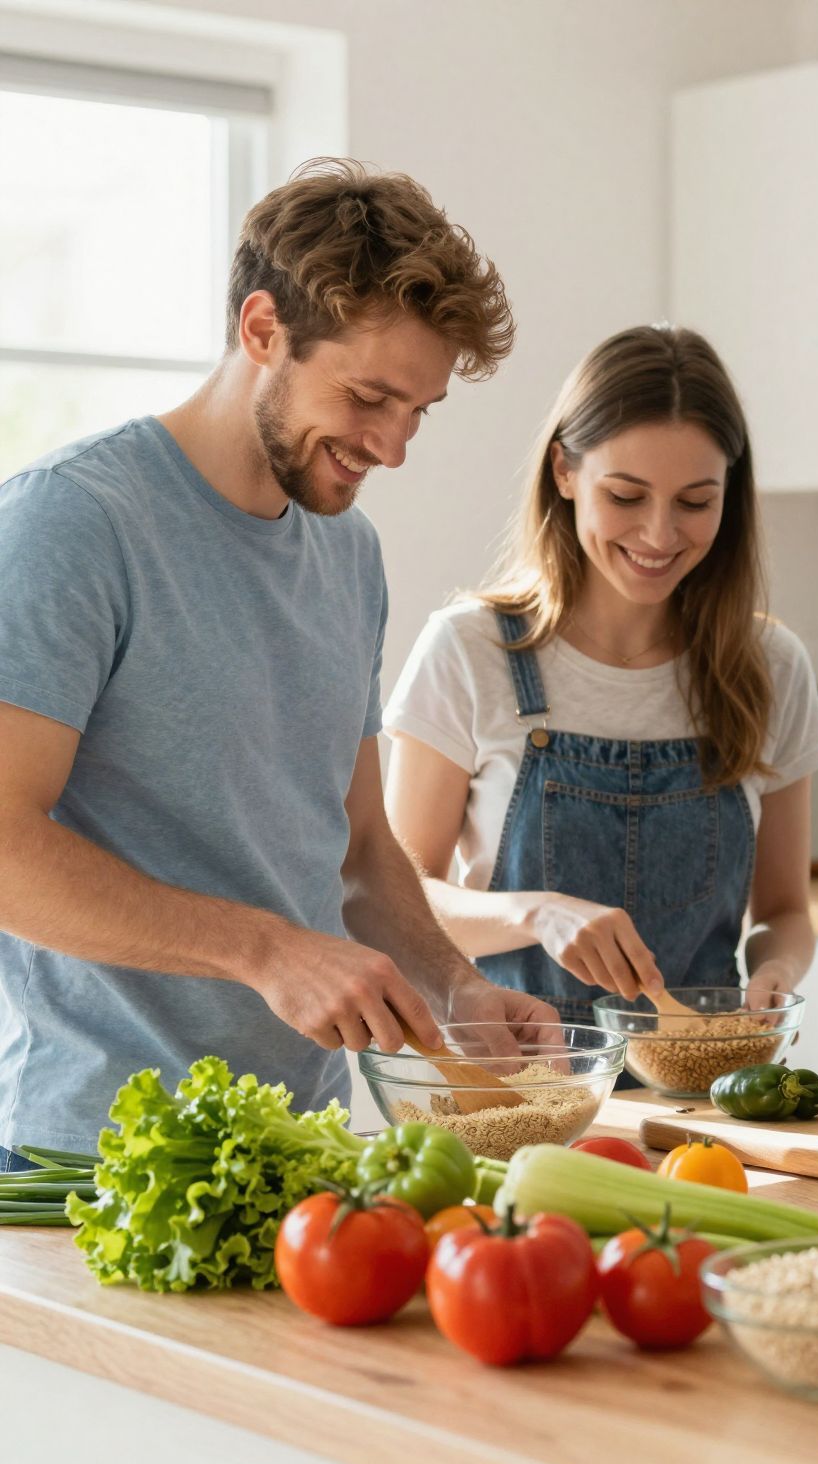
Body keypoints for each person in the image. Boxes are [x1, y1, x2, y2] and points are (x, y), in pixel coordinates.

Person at [0, 160, 552, 1167]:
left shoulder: (348, 554)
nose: (391, 447)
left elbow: (356, 848)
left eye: (418, 412)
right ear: (263, 331)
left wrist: (451, 986)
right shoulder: (73, 524)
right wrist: (265, 951)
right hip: (91, 1158)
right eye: (370, 397)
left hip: (304, 1141)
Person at [383, 326, 818, 1022]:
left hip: (696, 1095)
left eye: (694, 502)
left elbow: (783, 910)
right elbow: (399, 897)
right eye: (626, 496)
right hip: (520, 1085)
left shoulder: (771, 667)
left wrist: (777, 967)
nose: (659, 535)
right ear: (564, 471)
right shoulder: (470, 652)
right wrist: (536, 914)